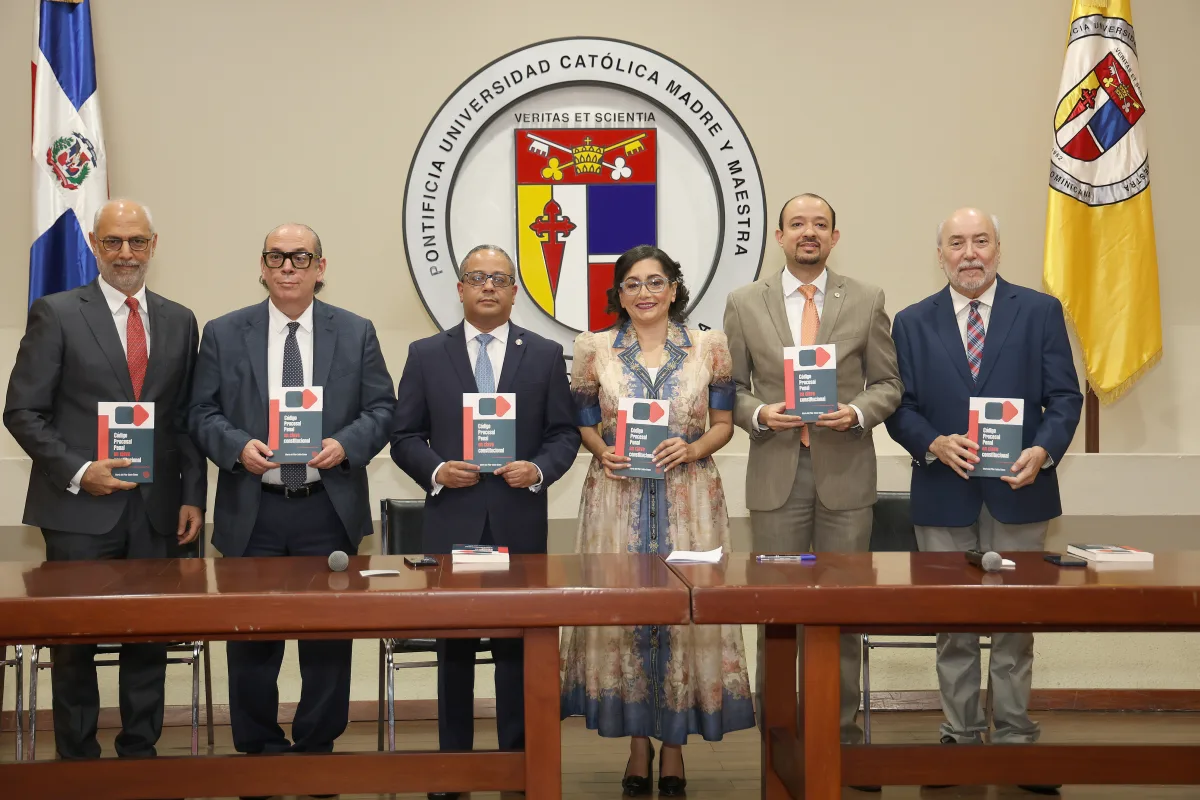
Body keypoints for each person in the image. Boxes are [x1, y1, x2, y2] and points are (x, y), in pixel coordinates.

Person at [885, 207, 1081, 796]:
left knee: (1018, 623)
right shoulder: (911, 321)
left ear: (998, 249)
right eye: (956, 243)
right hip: (944, 494)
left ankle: (1017, 738)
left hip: (1022, 491)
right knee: (953, 625)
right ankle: (960, 736)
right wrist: (932, 442)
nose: (969, 253)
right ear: (939, 253)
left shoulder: (1041, 312)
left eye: (981, 242)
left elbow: (1065, 398)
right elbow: (900, 407)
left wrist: (1042, 452)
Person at [3, 199, 207, 760]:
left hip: (156, 509)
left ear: (154, 245)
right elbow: (22, 411)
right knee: (75, 643)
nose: (125, 253)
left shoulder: (179, 318)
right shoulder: (57, 312)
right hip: (76, 512)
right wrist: (78, 470)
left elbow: (184, 417)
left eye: (136, 242)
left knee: (150, 640)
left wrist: (193, 496)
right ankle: (78, 762)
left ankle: (139, 757)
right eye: (113, 241)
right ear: (94, 245)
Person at [189, 223, 395, 777]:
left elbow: (382, 410)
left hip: (326, 506)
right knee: (252, 639)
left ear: (319, 268)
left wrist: (343, 445)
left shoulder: (355, 332)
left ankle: (316, 752)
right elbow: (200, 413)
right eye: (276, 257)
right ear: (261, 266)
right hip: (252, 508)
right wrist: (238, 448)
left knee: (327, 642)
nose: (288, 267)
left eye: (300, 258)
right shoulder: (225, 332)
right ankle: (257, 751)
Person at [560, 245, 754, 797]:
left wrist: (691, 450)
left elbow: (723, 424)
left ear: (674, 288)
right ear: (618, 293)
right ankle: (637, 744)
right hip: (615, 499)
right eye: (632, 284)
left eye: (655, 282)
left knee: (685, 612)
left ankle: (674, 750)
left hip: (690, 499)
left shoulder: (708, 346)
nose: (644, 293)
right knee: (624, 610)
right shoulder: (593, 348)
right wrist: (602, 450)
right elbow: (584, 423)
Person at [390, 244, 579, 800]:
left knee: (517, 652)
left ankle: (517, 768)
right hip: (452, 522)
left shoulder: (544, 354)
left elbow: (564, 434)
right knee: (453, 652)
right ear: (460, 288)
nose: (489, 287)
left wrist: (540, 469)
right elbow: (403, 436)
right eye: (477, 278)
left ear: (515, 290)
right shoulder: (426, 353)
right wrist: (438, 469)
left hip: (518, 521)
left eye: (500, 278)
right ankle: (453, 772)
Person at [723, 193, 903, 773]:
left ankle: (843, 737)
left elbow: (887, 383)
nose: (808, 232)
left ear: (834, 235)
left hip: (846, 475)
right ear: (779, 236)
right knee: (776, 612)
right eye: (797, 224)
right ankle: (779, 740)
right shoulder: (744, 301)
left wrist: (855, 413)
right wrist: (757, 415)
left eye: (819, 225)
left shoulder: (868, 299)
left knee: (844, 612)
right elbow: (730, 389)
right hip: (776, 472)